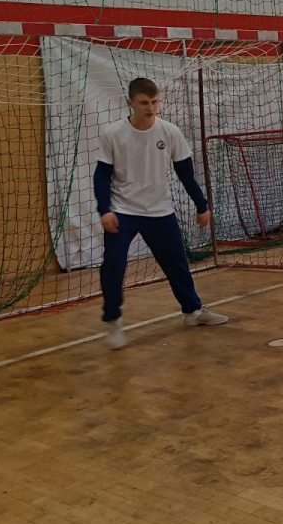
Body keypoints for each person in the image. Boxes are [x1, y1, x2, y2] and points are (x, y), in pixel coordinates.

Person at [94, 77, 227, 349]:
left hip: (159, 211)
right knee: (113, 265)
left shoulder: (170, 132)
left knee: (177, 263)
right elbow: (101, 177)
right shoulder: (113, 134)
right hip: (122, 211)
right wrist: (104, 210)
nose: (151, 108)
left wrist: (202, 205)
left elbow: (186, 174)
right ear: (131, 102)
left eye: (155, 102)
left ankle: (192, 311)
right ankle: (113, 319)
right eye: (144, 102)